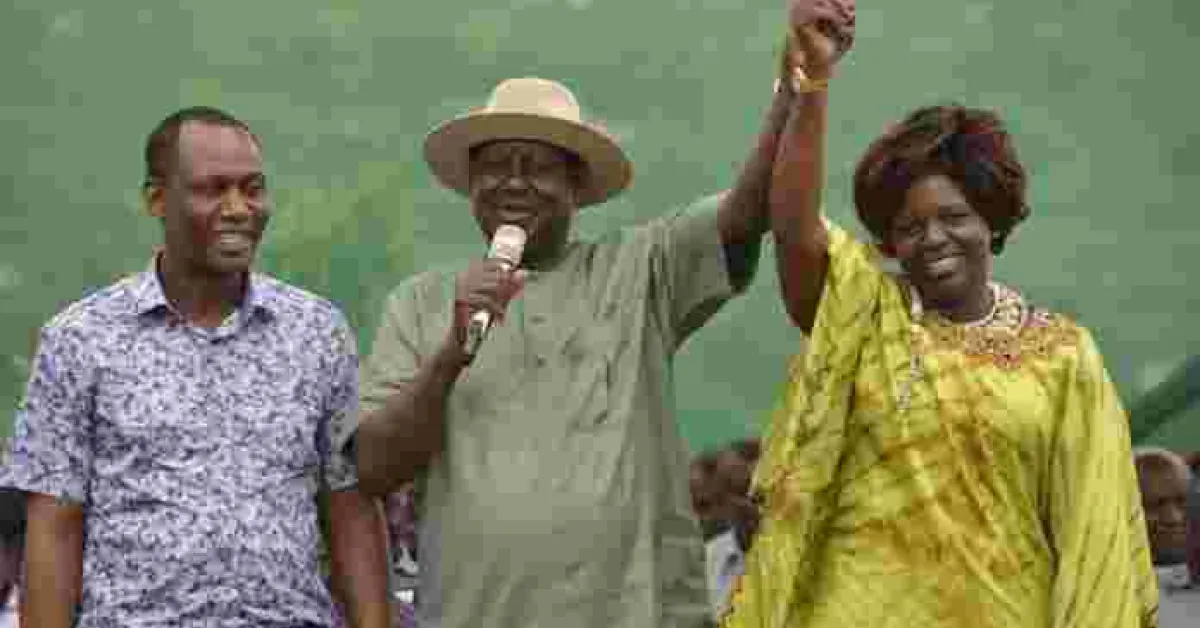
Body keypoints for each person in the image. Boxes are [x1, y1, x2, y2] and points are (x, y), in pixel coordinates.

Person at [720, 0, 1159, 626]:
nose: (933, 239)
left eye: (953, 217)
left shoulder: (1065, 357)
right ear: (889, 241)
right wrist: (811, 83)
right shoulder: (867, 316)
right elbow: (793, 230)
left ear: (992, 221)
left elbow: (1096, 535)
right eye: (909, 227)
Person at [348, 68, 801, 627]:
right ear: (470, 184)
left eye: (537, 167)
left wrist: (795, 93)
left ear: (577, 186)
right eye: (495, 166)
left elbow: (747, 213)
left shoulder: (641, 270)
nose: (515, 183)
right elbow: (372, 467)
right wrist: (451, 354)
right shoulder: (420, 304)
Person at [0, 107, 390, 628]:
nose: (238, 208)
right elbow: (54, 526)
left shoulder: (317, 332)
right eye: (213, 189)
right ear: (156, 200)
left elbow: (349, 506)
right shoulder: (80, 339)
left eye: (252, 189)